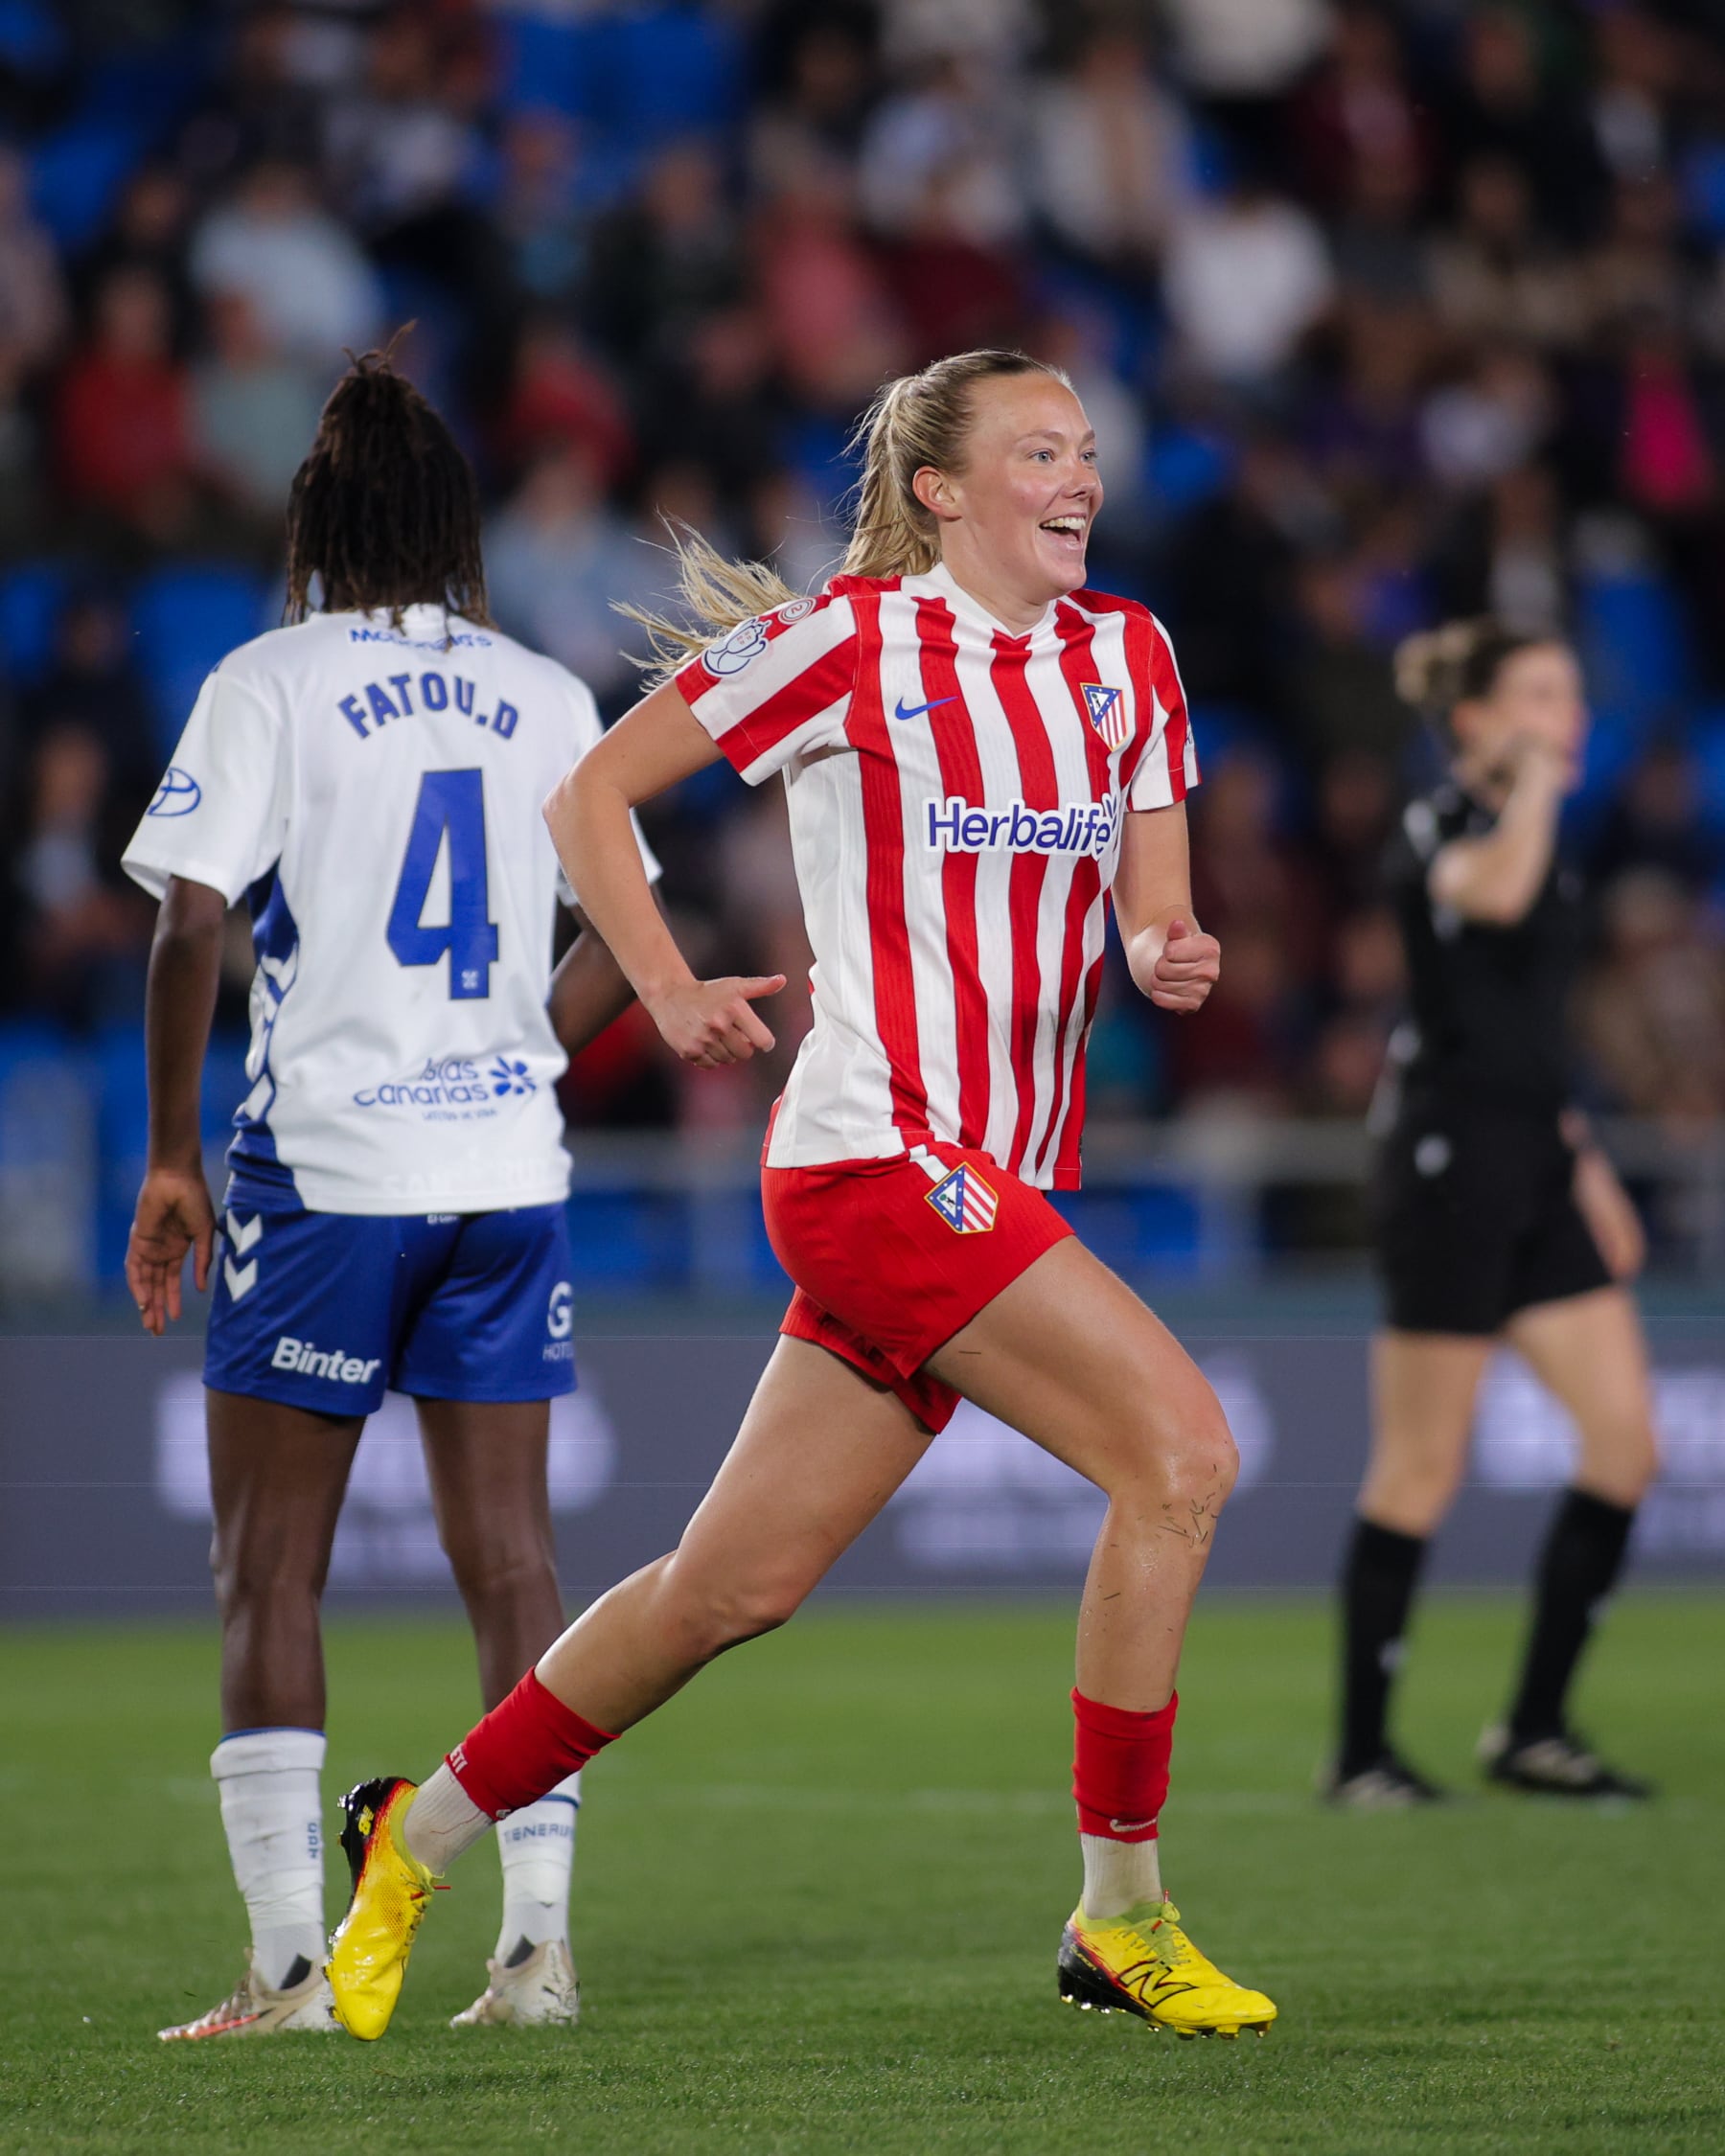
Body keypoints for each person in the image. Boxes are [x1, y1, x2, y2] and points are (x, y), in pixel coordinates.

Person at [322, 348, 1279, 2045]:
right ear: (941, 491)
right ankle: (1120, 1916)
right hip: (878, 1154)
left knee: (727, 1589)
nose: (1080, 477)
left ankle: (422, 1830)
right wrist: (664, 981)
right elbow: (586, 794)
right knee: (1183, 1457)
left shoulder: (1130, 655)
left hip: (986, 1173)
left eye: (1084, 450)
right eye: (1039, 451)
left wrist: (1163, 948)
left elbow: (1152, 904)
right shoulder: (848, 640)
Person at [122, 347, 656, 2038]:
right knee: (512, 1561)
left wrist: (169, 1154)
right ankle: (538, 1951)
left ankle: (290, 1967)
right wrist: (517, 1063)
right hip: (505, 1174)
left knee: (269, 1568)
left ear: (320, 523)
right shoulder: (547, 691)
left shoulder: (270, 678)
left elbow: (189, 921)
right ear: (456, 525)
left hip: (331, 1177)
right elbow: (626, 940)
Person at [1326, 619, 1660, 1808]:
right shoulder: (1446, 826)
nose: (1570, 716)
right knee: (1421, 1467)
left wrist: (1585, 1165)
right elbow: (1496, 893)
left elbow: (1527, 1035)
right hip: (1447, 1169)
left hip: (1536, 1163)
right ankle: (1360, 1755)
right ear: (1473, 720)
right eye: (1540, 695)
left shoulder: (1542, 834)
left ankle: (1534, 1728)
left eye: (1572, 693)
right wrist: (1534, 790)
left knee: (1626, 1447)